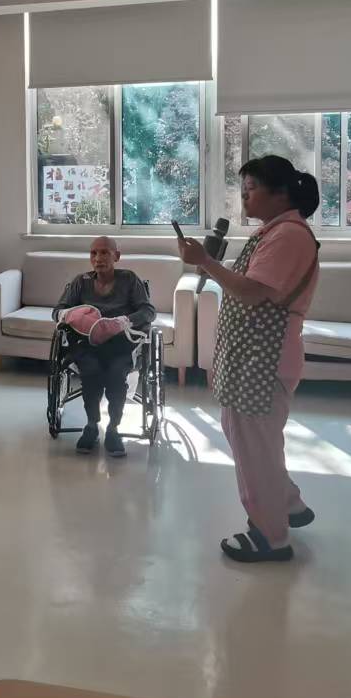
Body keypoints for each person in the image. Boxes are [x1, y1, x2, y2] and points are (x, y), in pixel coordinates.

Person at [178, 155, 321, 564]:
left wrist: (206, 262)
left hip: (266, 358)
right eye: (243, 189)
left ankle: (270, 537)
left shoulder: (288, 236)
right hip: (253, 356)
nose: (244, 196)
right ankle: (288, 503)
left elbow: (253, 292)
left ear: (281, 193)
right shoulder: (273, 231)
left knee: (255, 448)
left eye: (251, 188)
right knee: (251, 438)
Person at [53, 236, 156, 457]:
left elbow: (148, 311)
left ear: (116, 256)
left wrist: (124, 321)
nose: (98, 258)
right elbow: (57, 311)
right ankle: (92, 425)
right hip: (87, 342)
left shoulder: (129, 279)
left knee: (116, 374)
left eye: (104, 253)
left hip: (120, 342)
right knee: (91, 371)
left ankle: (113, 429)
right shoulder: (81, 282)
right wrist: (71, 315)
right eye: (93, 253)